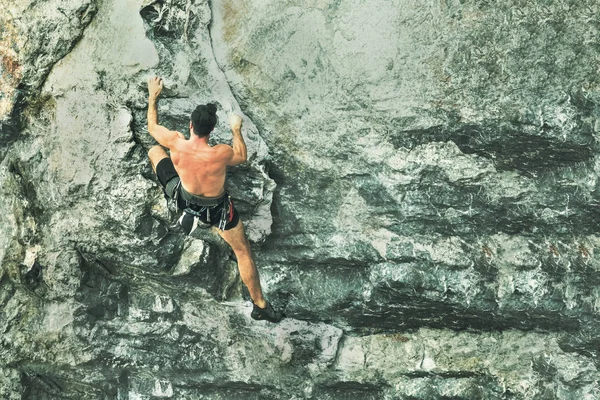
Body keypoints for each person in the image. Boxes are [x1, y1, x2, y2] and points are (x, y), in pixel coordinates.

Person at [145, 76, 283, 323]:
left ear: (190, 126)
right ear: (211, 131)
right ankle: (260, 305)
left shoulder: (176, 142)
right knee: (242, 251)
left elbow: (152, 128)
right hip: (217, 210)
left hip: (183, 197)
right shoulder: (219, 153)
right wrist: (235, 129)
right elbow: (241, 156)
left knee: (155, 151)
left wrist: (153, 96)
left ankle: (189, 214)